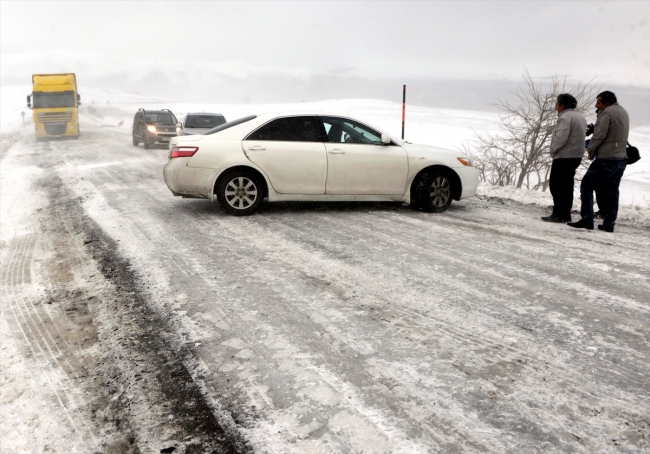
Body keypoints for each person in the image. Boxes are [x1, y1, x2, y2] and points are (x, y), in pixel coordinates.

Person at [568, 91, 629, 232]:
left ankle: (587, 219)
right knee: (613, 192)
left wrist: (591, 150)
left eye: (598, 102)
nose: (596, 105)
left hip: (607, 158)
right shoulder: (622, 111)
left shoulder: (607, 113)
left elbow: (599, 135)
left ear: (606, 103)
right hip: (621, 158)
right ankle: (609, 223)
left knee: (587, 186)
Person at [542, 94, 586, 223]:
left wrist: (553, 150)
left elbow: (561, 137)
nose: (555, 106)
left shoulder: (565, 118)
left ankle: (559, 214)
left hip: (564, 156)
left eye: (557, 103)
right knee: (567, 186)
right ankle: (565, 213)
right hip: (576, 155)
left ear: (562, 105)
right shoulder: (580, 116)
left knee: (557, 185)